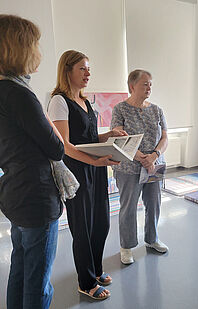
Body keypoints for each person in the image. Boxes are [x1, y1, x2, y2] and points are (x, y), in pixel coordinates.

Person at [48, 50, 126, 300]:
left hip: (97, 169)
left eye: (88, 68)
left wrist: (109, 135)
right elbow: (66, 146)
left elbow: (91, 138)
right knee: (82, 228)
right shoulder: (59, 101)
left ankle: (96, 270)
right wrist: (96, 160)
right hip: (77, 171)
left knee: (100, 224)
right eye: (82, 68)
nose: (88, 73)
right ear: (67, 70)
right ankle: (86, 281)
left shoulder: (86, 101)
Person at [0, 15, 65, 309]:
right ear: (21, 48)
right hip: (36, 197)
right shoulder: (20, 95)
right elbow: (56, 149)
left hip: (14, 193)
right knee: (38, 280)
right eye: (36, 44)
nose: (39, 51)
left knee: (21, 268)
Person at [111, 69, 168, 265]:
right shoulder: (120, 109)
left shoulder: (157, 110)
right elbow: (117, 138)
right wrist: (140, 157)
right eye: (145, 83)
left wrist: (154, 156)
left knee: (154, 204)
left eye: (150, 84)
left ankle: (152, 239)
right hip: (128, 168)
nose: (149, 87)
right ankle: (126, 247)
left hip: (154, 166)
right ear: (132, 86)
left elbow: (165, 138)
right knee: (128, 207)